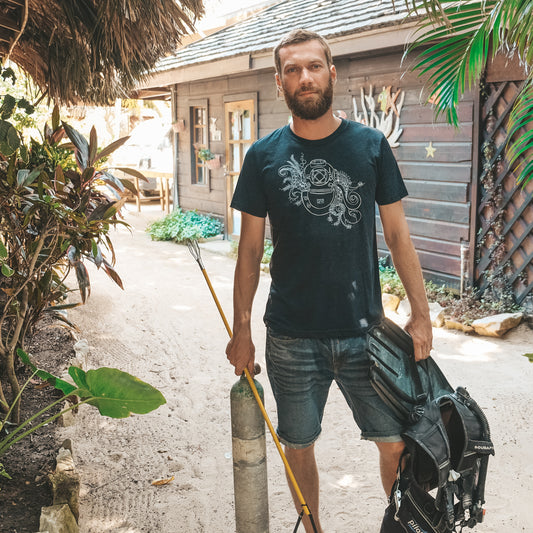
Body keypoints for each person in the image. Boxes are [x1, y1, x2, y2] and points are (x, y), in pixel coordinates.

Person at [225, 28, 433, 532]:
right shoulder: (262, 157)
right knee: (297, 445)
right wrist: (242, 328)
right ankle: (312, 527)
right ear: (279, 83)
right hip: (291, 335)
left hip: (367, 332)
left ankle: (404, 525)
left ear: (331, 73)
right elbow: (249, 252)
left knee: (397, 443)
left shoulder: (370, 146)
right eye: (292, 70)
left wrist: (422, 316)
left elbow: (399, 236)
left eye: (314, 66)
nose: (305, 77)